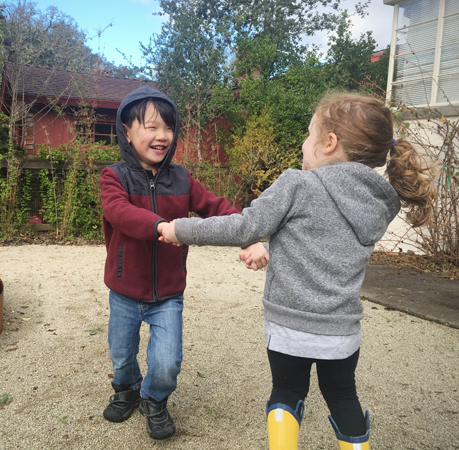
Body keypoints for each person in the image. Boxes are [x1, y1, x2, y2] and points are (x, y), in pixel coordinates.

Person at [159, 92, 437, 449]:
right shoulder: (380, 201)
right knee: (343, 397)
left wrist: (180, 229)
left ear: (329, 143)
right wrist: (272, 249)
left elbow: (243, 227)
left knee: (287, 393)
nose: (304, 143)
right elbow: (328, 245)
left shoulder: (298, 184)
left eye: (308, 134)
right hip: (342, 332)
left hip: (289, 326)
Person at [99, 85, 239, 440]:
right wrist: (162, 226)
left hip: (168, 295)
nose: (162, 135)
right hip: (125, 291)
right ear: (127, 132)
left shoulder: (182, 179)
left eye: (169, 128)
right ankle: (127, 390)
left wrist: (248, 232)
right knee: (121, 355)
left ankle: (154, 399)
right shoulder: (113, 176)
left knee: (167, 363)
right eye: (152, 127)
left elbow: (216, 207)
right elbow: (119, 212)